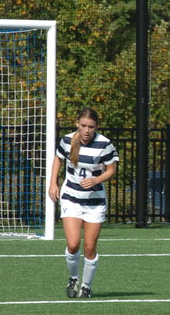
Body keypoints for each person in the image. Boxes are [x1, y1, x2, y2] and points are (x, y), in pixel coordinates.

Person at [48, 108, 118, 299]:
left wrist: (96, 180)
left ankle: (86, 286)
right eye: (83, 126)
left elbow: (111, 170)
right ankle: (73, 278)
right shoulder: (67, 140)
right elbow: (58, 159)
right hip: (71, 198)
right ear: (77, 124)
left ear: (96, 127)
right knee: (72, 244)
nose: (87, 130)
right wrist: (53, 183)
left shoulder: (104, 144)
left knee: (89, 247)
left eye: (91, 127)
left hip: (94, 202)